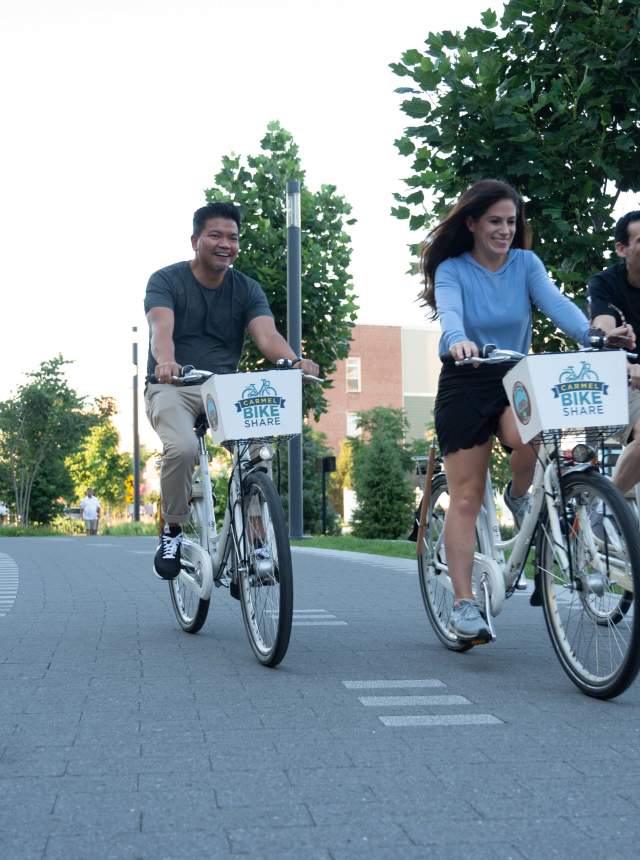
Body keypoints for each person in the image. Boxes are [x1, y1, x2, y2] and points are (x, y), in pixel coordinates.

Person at [422, 179, 634, 643]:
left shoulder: (525, 264)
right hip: (466, 375)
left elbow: (557, 304)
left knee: (542, 434)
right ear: (473, 222)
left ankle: (520, 495)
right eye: (495, 221)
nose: (504, 230)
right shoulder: (453, 269)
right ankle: (463, 604)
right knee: (466, 495)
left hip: (515, 374)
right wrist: (456, 340)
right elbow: (451, 313)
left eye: (511, 222)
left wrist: (594, 337)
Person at [145, 201, 319, 580]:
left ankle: (256, 544)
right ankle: (172, 529)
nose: (226, 243)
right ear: (195, 240)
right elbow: (162, 330)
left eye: (233, 237)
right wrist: (167, 363)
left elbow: (267, 335)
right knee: (183, 448)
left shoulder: (246, 289)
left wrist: (293, 362)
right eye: (216, 235)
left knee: (256, 453)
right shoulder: (166, 280)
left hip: (222, 389)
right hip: (172, 384)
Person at [588, 211, 640, 494]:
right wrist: (611, 339)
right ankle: (607, 510)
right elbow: (602, 327)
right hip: (619, 382)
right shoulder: (605, 283)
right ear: (622, 249)